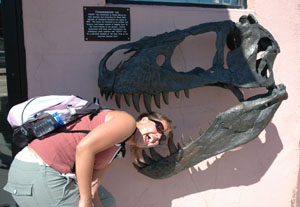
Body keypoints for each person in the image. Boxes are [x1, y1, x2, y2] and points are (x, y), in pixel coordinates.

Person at [3, 109, 174, 207]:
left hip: (41, 177)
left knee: (107, 202)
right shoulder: (126, 123)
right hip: (38, 171)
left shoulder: (117, 147)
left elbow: (93, 187)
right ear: (144, 119)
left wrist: (89, 199)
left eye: (162, 138)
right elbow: (84, 149)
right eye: (159, 127)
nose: (158, 136)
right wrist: (84, 201)